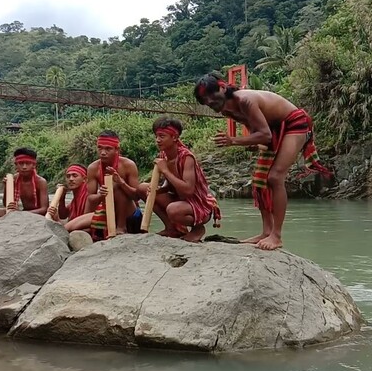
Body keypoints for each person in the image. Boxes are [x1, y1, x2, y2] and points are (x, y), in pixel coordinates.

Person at [193, 73, 332, 250]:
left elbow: (265, 134)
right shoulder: (226, 109)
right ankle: (266, 231)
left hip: (295, 123)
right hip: (273, 129)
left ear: (222, 87)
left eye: (211, 95)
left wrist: (234, 141)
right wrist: (252, 141)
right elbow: (257, 130)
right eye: (204, 99)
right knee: (259, 180)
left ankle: (277, 236)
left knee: (275, 177)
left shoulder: (245, 100)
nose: (209, 101)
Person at [140, 116, 221, 242]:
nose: (157, 140)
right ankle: (172, 228)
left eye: (162, 136)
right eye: (156, 136)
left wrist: (165, 170)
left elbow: (188, 190)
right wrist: (159, 190)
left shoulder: (187, 157)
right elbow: (171, 183)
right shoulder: (164, 154)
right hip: (180, 199)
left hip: (199, 204)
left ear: (174, 137)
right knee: (143, 188)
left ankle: (198, 228)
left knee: (173, 209)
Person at [85, 130, 143, 241]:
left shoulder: (128, 165)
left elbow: (137, 196)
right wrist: (100, 195)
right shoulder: (93, 168)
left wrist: (121, 182)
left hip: (130, 214)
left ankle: (121, 227)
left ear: (117, 150)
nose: (103, 152)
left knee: (116, 186)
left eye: (108, 149)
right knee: (71, 227)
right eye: (100, 148)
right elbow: (90, 198)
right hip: (106, 211)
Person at [0, 147, 49, 218]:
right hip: (22, 211)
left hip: (38, 215)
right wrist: (7, 187)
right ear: (16, 165)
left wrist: (21, 213)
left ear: (34, 165)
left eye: (28, 163)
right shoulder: (14, 178)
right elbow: (6, 205)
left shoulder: (41, 182)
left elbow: (44, 209)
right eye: (21, 163)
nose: (24, 167)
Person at [46, 164, 93, 231]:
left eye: (75, 176)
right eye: (68, 176)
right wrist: (62, 198)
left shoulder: (90, 195)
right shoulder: (74, 200)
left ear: (84, 179)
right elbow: (63, 215)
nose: (71, 179)